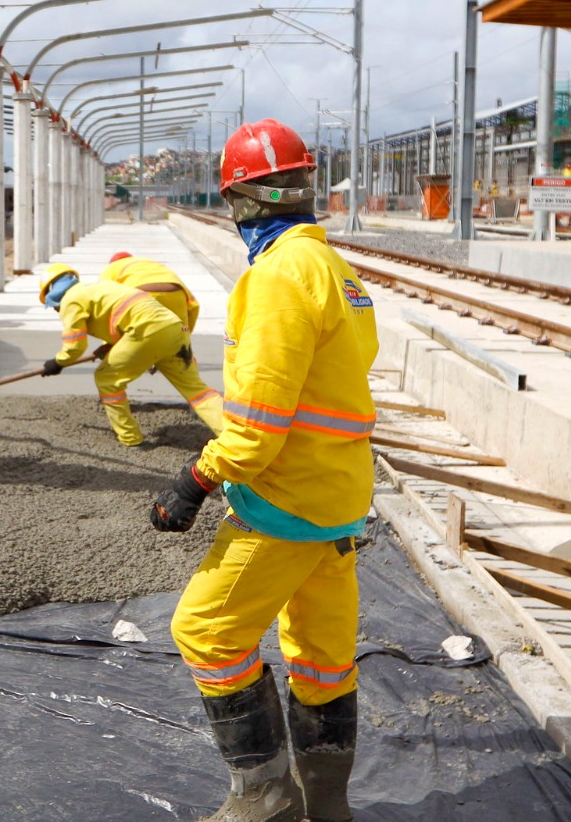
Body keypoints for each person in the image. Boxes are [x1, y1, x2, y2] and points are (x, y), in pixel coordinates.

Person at [151, 119, 377, 822]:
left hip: (287, 498)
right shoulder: (335, 269)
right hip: (337, 494)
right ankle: (327, 805)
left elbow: (255, 428)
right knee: (320, 656)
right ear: (306, 186)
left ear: (240, 200)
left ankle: (265, 797)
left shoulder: (278, 277)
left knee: (206, 631)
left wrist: (194, 480)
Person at [37, 262, 221, 445]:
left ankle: (130, 437)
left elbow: (75, 345)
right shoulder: (96, 289)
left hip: (146, 331)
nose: (55, 309)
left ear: (53, 293)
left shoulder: (71, 300)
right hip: (173, 328)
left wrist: (58, 362)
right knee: (196, 390)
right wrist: (109, 347)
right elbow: (120, 317)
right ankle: (231, 434)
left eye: (52, 305)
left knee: (106, 378)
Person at [100, 251, 222, 433]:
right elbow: (193, 306)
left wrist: (109, 346)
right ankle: (224, 427)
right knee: (191, 380)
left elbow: (107, 309)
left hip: (141, 297)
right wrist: (181, 340)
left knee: (110, 374)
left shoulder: (112, 269)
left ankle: (125, 427)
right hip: (176, 296)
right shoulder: (152, 265)